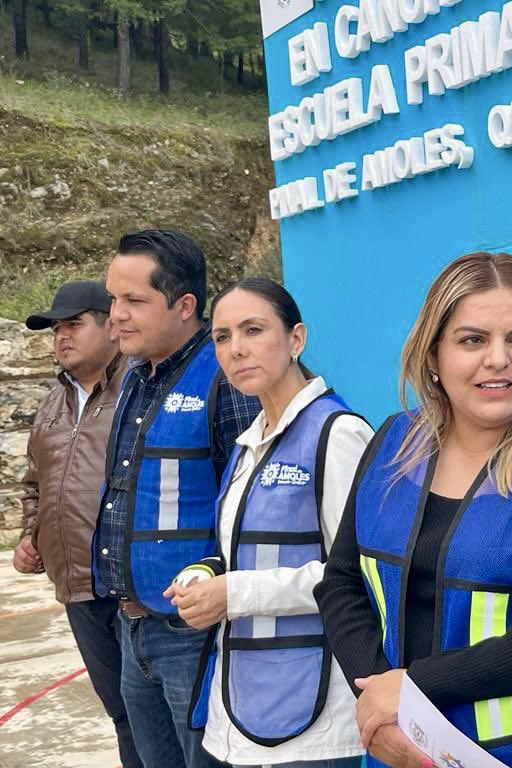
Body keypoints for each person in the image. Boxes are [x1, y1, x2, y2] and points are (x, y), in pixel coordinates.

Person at [315, 252, 512, 768]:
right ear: (432, 355)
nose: (499, 359)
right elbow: (341, 584)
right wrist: (379, 702)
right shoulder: (392, 444)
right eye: (472, 340)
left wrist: (413, 688)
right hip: (399, 749)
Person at [162, 277, 371, 767]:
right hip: (243, 697)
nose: (237, 349)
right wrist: (205, 576)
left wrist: (234, 593)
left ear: (296, 339)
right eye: (222, 337)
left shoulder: (337, 435)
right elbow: (243, 553)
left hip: (317, 708)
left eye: (253, 330)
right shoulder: (247, 445)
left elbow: (358, 575)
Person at [95, 230, 263, 768]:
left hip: (194, 635)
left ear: (185, 306)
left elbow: (253, 510)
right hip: (133, 627)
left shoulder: (226, 380)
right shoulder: (134, 377)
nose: (116, 315)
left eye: (134, 300)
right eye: (113, 299)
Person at [15, 280, 142, 768]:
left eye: (73, 324)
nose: (61, 337)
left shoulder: (140, 387)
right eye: (55, 330)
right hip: (78, 589)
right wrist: (30, 535)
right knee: (121, 712)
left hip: (134, 587)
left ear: (111, 327)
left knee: (159, 713)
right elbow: (35, 483)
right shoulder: (53, 402)